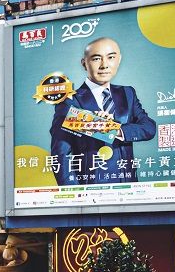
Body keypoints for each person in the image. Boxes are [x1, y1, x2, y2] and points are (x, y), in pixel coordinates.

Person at [49, 36, 156, 186]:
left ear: (118, 60)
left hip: (128, 188)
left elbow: (149, 128)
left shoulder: (128, 93)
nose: (104, 65)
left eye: (111, 57)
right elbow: (60, 154)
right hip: (91, 190)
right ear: (84, 63)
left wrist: (112, 129)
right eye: (96, 59)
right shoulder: (69, 100)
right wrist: (73, 194)